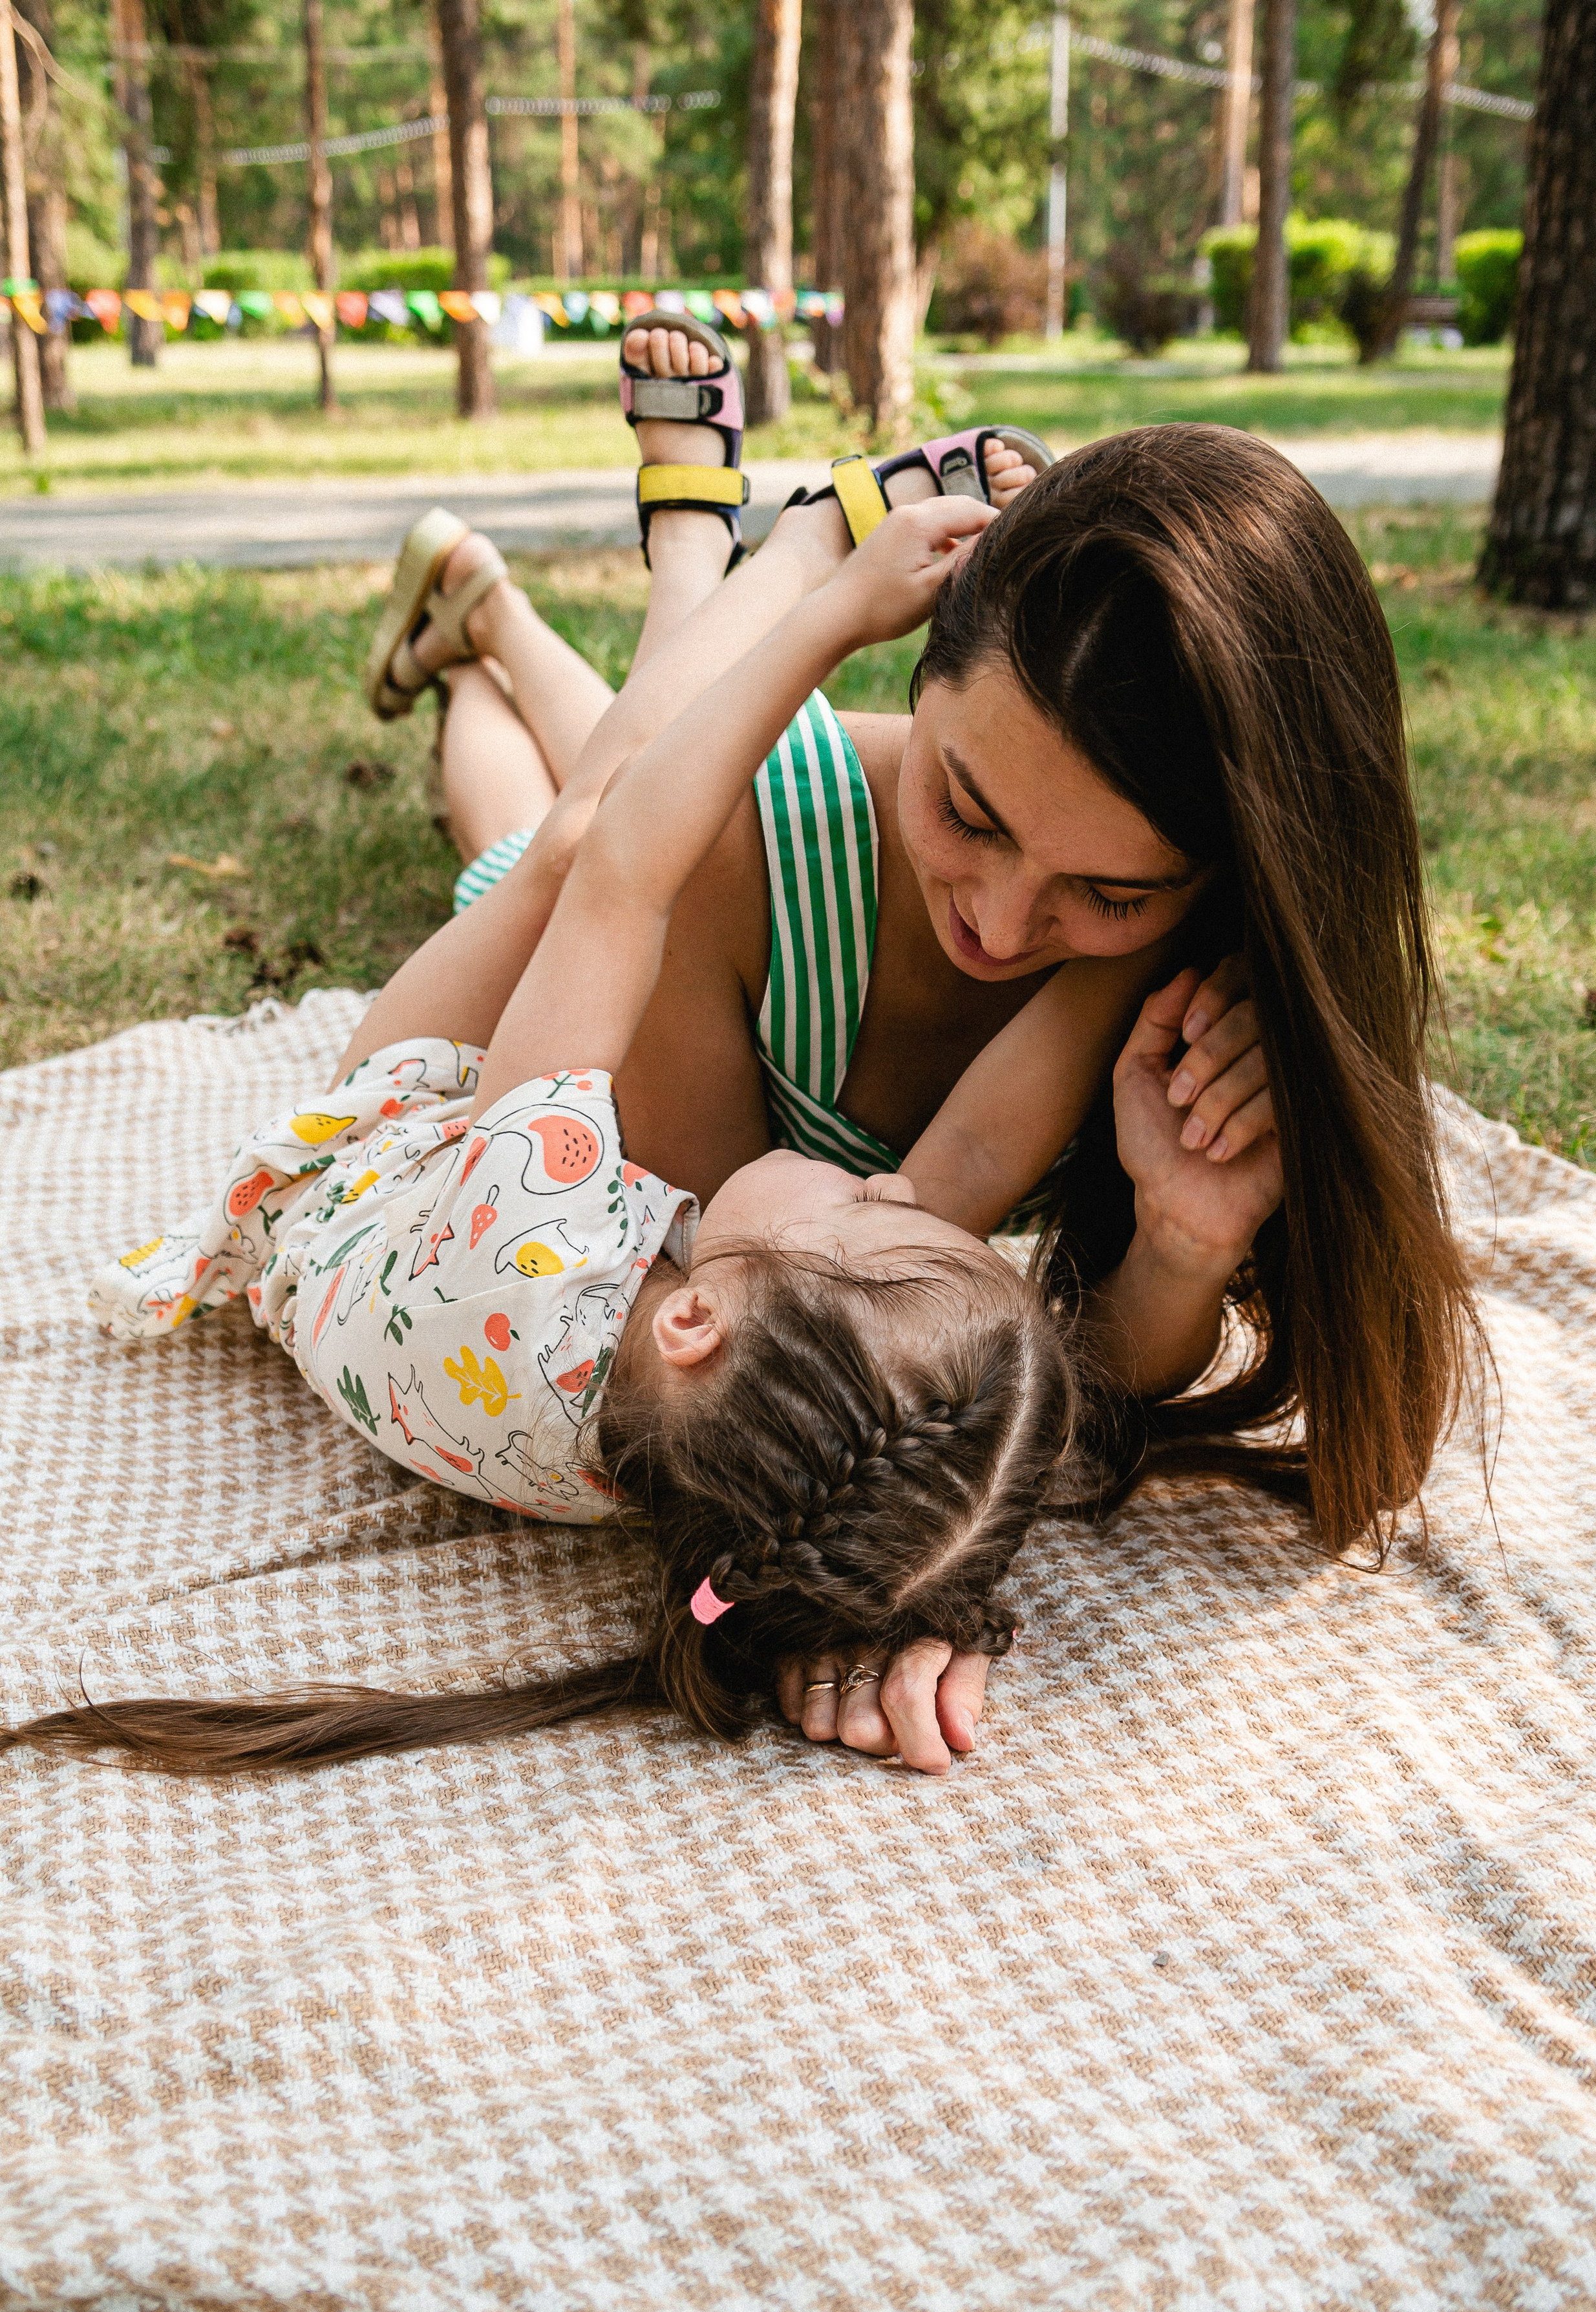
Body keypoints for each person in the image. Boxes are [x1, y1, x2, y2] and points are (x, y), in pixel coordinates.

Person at [355, 326, 1478, 1598]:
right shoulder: (722, 855)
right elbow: (787, 1401)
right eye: (971, 812)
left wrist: (1180, 1239)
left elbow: (977, 1318)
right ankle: (668, 561)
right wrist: (855, 1590)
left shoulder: (1186, 951)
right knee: (545, 846)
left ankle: (484, 624)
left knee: (572, 815)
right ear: (922, 653)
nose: (1000, 928)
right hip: (586, 975)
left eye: (1108, 892)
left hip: (606, 970)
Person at [21, 494, 1102, 1784]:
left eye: (872, 1211)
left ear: (697, 1319)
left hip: (375, 1168)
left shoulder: (539, 1216)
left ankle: (704, 550)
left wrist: (826, 606)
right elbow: (962, 1170)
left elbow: (630, 862)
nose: (891, 1177)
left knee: (569, 843)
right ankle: (481, 644)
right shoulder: (728, 1484)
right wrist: (1133, 946)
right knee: (524, 860)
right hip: (406, 1303)